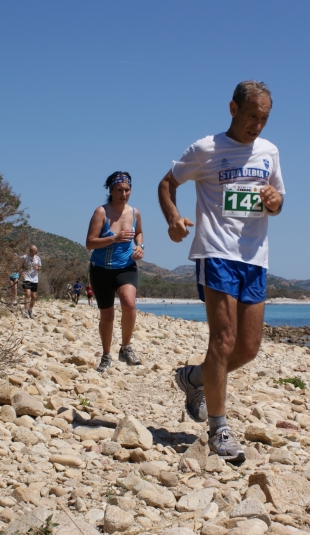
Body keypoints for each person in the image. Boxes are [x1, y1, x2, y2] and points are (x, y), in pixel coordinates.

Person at [158, 81, 285, 463]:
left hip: (254, 258)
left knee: (247, 348)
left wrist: (275, 201)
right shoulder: (206, 149)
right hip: (215, 253)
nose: (257, 126)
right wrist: (173, 219)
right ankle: (219, 428)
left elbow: (278, 202)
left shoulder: (270, 152)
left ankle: (195, 378)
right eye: (251, 117)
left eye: (263, 119)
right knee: (223, 341)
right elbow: (167, 183)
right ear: (233, 108)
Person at [86, 171, 145, 372]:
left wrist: (140, 246)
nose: (124, 194)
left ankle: (126, 347)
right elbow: (89, 243)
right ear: (111, 191)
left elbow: (139, 233)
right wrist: (114, 238)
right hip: (101, 270)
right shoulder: (101, 212)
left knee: (129, 303)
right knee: (107, 316)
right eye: (119, 190)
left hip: (126, 267)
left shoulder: (134, 212)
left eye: (127, 189)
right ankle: (106, 354)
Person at [19, 245, 42, 319]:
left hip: (35, 279)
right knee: (28, 294)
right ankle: (25, 311)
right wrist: (21, 272)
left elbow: (40, 267)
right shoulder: (24, 257)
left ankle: (30, 310)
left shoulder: (38, 258)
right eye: (31, 251)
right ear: (29, 251)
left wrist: (38, 268)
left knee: (34, 296)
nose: (32, 253)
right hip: (27, 278)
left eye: (33, 251)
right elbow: (17, 263)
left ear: (36, 252)